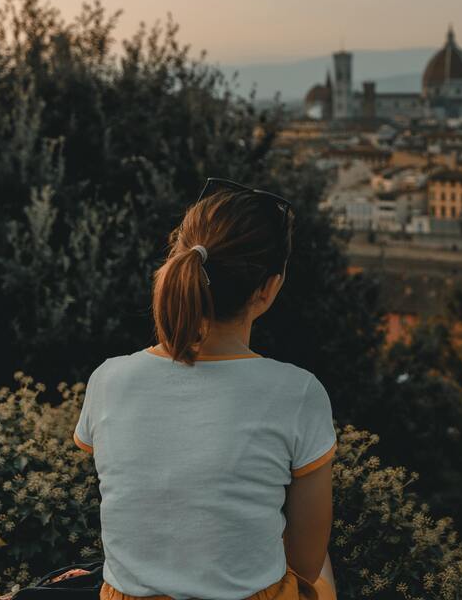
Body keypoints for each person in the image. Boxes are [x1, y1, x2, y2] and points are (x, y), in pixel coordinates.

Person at [72, 178, 338, 600]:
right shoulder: (298, 393)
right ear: (268, 288)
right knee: (322, 576)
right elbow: (303, 562)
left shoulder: (108, 379)